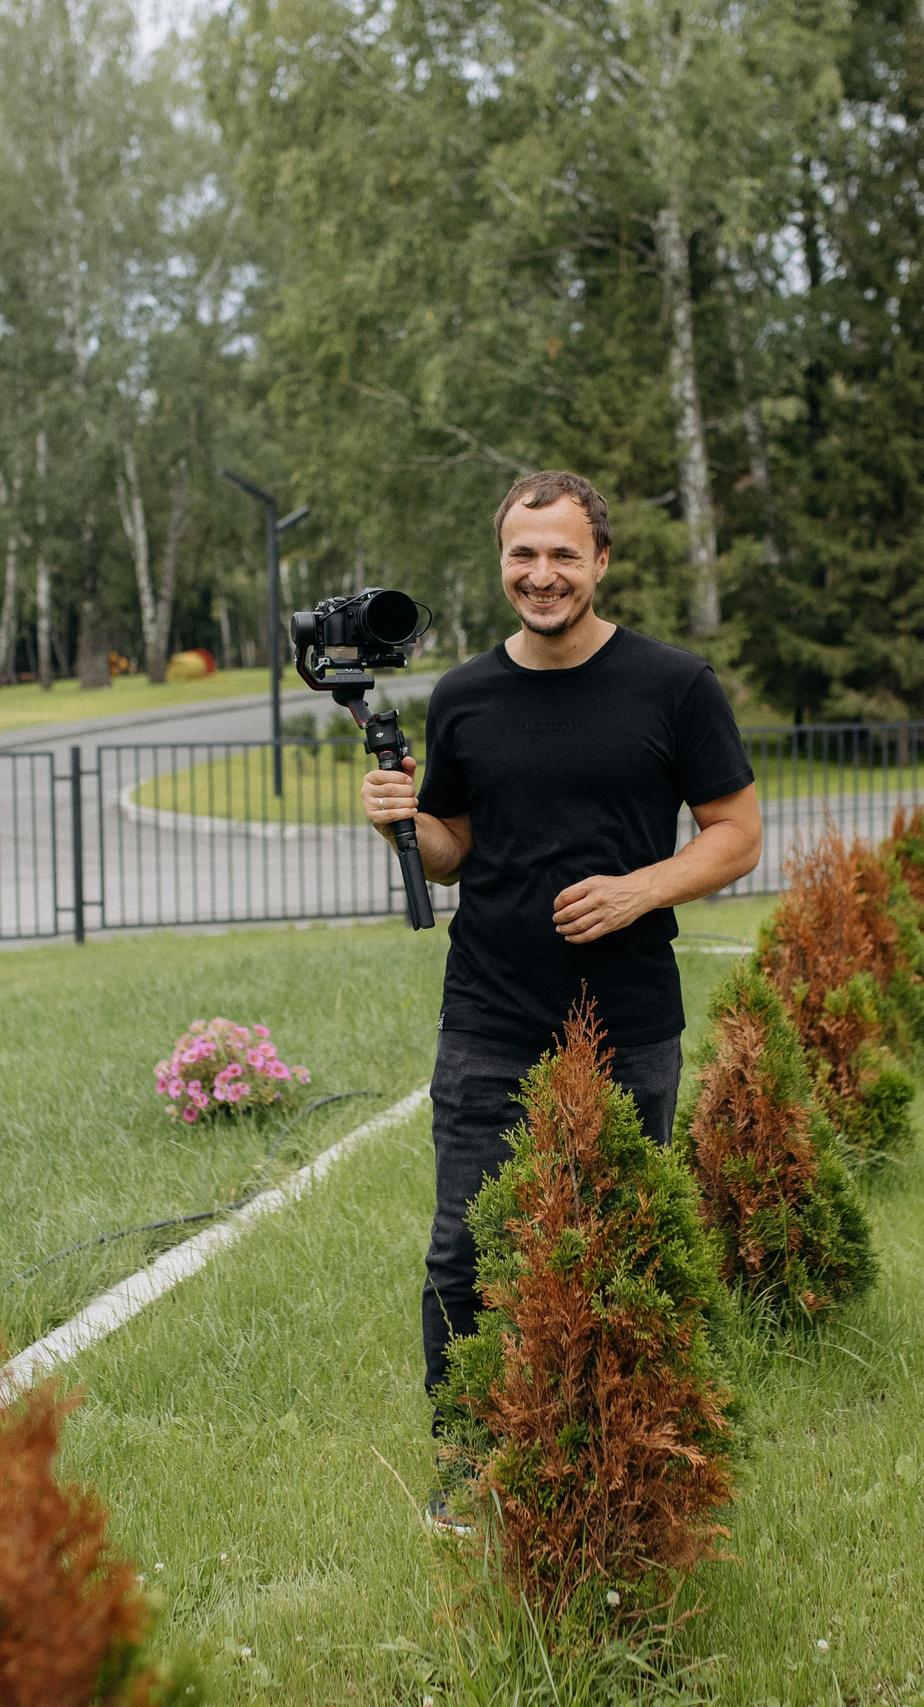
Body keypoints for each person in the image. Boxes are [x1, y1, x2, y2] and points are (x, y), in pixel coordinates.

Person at [359, 469, 762, 1534]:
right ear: (501, 562)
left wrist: (643, 887)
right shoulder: (464, 696)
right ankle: (468, 1460)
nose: (541, 575)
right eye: (521, 556)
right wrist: (400, 818)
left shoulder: (672, 686)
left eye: (562, 555)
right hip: (489, 1013)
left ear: (601, 562)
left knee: (620, 1241)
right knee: (464, 1250)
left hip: (628, 1017)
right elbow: (449, 856)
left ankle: (624, 1450)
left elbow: (735, 832)